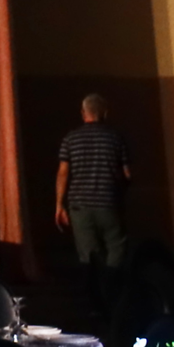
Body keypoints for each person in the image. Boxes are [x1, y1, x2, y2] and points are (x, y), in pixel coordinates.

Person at [55, 93, 132, 272]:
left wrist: (59, 205)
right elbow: (127, 174)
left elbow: (63, 173)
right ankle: (111, 284)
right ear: (105, 113)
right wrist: (119, 194)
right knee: (117, 247)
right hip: (109, 204)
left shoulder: (70, 139)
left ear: (84, 113)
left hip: (80, 206)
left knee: (89, 255)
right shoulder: (115, 138)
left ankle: (94, 291)